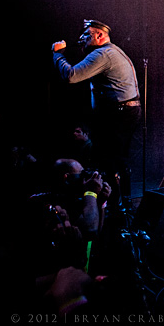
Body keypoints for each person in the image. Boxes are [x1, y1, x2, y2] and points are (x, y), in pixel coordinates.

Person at [52, 19, 141, 199]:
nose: (81, 38)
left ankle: (114, 208)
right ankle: (120, 206)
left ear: (99, 35)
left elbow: (71, 75)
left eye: (86, 34)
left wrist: (58, 54)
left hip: (118, 115)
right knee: (115, 161)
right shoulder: (112, 51)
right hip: (124, 113)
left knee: (108, 162)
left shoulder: (103, 54)